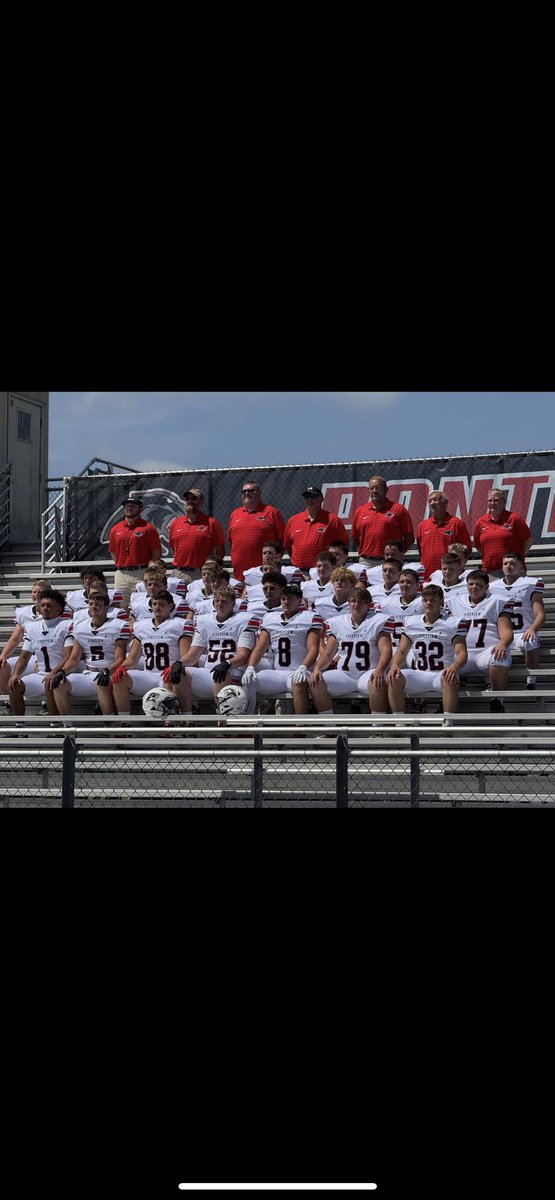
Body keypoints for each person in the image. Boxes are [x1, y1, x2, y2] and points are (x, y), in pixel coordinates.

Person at [240, 584, 324, 716]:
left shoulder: (309, 617)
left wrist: (304, 667)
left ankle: (300, 725)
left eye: (290, 598)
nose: (286, 602)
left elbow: (313, 648)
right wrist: (250, 667)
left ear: (299, 600)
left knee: (298, 681)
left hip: (299, 670)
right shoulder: (270, 618)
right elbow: (259, 648)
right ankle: (247, 721)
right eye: (283, 598)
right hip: (277, 673)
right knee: (249, 679)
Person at [387, 584, 468, 721]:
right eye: (425, 600)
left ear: (441, 601)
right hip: (419, 674)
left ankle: (448, 722)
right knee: (394, 677)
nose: (428, 603)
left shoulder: (452, 623)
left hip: (441, 674)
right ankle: (399, 722)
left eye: (433, 600)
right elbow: (401, 651)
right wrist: (394, 665)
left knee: (450, 677)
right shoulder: (411, 622)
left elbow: (462, 653)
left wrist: (453, 667)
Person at [309, 588, 394, 716]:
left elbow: (386, 649)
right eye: (353, 601)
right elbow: (327, 654)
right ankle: (328, 725)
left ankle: (378, 725)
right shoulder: (338, 622)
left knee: (377, 681)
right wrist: (317, 668)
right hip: (344, 675)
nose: (356, 605)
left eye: (361, 602)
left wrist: (380, 669)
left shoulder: (377, 621)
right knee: (316, 681)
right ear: (348, 603)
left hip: (368, 672)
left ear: (368, 604)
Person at [175, 587, 260, 713]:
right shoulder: (204, 621)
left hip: (233, 671)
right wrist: (179, 663)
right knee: (179, 673)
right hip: (209, 672)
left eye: (224, 601)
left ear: (233, 604)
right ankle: (186, 717)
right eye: (217, 601)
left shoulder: (244, 620)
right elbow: (193, 655)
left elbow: (243, 656)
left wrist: (227, 663)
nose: (220, 604)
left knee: (222, 673)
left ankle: (223, 719)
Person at [111, 591, 194, 716]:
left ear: (171, 606)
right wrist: (122, 667)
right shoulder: (141, 626)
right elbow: (132, 659)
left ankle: (174, 720)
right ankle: (124, 721)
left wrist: (175, 667)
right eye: (154, 604)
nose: (157, 607)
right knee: (119, 677)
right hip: (148, 675)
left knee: (172, 677)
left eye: (161, 604)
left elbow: (185, 656)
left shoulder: (180, 624)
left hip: (168, 674)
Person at [444, 570, 514, 710]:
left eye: (479, 585)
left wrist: (502, 643)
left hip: (486, 652)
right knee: (442, 661)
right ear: (466, 586)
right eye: (471, 584)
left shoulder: (497, 602)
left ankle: (497, 700)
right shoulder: (454, 602)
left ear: (487, 587)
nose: (474, 587)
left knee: (501, 656)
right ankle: (444, 704)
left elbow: (507, 632)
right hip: (462, 653)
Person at [51, 594, 131, 716]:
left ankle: (110, 722)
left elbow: (120, 658)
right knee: (59, 684)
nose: (94, 607)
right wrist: (63, 671)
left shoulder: (118, 625)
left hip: (109, 673)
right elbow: (74, 659)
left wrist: (108, 670)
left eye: (98, 604)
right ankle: (67, 725)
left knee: (101, 682)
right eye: (91, 604)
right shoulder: (79, 627)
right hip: (89, 673)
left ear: (106, 607)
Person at [6, 590, 72, 717]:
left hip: (63, 673)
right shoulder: (32, 627)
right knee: (15, 685)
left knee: (51, 683)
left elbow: (69, 656)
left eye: (49, 606)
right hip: (41, 674)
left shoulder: (67, 625)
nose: (45, 608)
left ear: (59, 609)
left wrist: (55, 672)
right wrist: (15, 674)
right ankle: (19, 725)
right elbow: (24, 657)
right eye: (43, 605)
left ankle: (55, 724)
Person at [489, 552, 545, 689]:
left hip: (523, 632)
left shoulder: (530, 583)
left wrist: (532, 629)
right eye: (505, 563)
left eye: (512, 563)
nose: (508, 566)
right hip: (502, 634)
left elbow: (540, 614)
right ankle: (492, 688)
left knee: (530, 640)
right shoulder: (492, 587)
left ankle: (531, 681)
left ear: (521, 567)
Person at [0, 579, 53, 696]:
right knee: (1, 665)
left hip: (49, 657)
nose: (36, 595)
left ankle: (44, 702)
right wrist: (3, 655)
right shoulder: (23, 612)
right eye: (34, 592)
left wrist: (43, 659)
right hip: (28, 655)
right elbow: (15, 638)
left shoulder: (57, 612)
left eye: (40, 592)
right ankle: (7, 699)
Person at [108, 496, 162, 607]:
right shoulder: (115, 529)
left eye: (133, 506)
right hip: (122, 573)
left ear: (141, 509)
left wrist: (148, 570)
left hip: (141, 572)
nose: (129, 508)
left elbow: (156, 552)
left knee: (143, 605)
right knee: (121, 606)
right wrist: (124, 563)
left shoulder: (148, 528)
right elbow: (113, 552)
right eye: (127, 506)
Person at [227, 481, 285, 582]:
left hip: (264, 574)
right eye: (244, 491)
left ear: (259, 493)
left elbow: (283, 541)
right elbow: (232, 542)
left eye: (250, 491)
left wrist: (274, 562)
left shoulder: (272, 512)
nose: (246, 493)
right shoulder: (235, 514)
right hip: (239, 574)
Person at [350, 476, 414, 566]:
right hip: (366, 562)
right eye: (371, 488)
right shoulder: (360, 511)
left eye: (378, 488)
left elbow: (409, 538)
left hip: (390, 561)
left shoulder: (399, 510)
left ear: (386, 490)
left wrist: (397, 554)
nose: (374, 491)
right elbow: (355, 538)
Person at [283, 486, 348, 573]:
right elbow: (288, 546)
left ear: (322, 499)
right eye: (307, 497)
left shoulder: (333, 520)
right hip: (298, 571)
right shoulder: (293, 520)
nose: (310, 500)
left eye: (314, 497)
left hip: (323, 571)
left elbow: (343, 545)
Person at [168, 487, 225, 583]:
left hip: (201, 574)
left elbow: (220, 552)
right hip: (178, 573)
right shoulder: (176, 523)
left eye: (194, 498)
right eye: (187, 498)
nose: (190, 501)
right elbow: (173, 548)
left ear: (201, 502)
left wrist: (210, 570)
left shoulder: (212, 523)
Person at [473, 488, 533, 578]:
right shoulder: (480, 522)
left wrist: (516, 557)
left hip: (514, 570)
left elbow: (528, 541)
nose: (492, 503)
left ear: (504, 502)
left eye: (496, 500)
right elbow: (479, 547)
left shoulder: (515, 518)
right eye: (490, 500)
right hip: (490, 572)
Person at [417, 490, 472, 580]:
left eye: (435, 500)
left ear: (445, 503)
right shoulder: (422, 526)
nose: (432, 503)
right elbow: (421, 551)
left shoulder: (457, 524)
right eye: (430, 501)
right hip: (429, 576)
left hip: (451, 576)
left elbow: (466, 550)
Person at [375, 568, 424, 651]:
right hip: (393, 650)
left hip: (416, 651)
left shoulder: (424, 602)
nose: (405, 585)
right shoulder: (387, 603)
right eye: (402, 582)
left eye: (409, 582)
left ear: (417, 584)